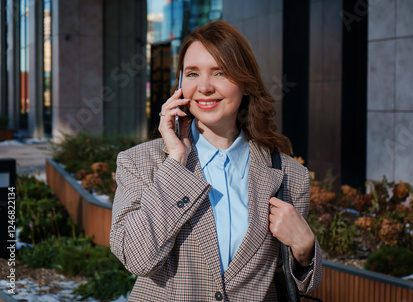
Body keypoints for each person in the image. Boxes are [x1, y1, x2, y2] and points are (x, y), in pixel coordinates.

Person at [110, 21, 322, 301]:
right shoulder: (139, 162)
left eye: (220, 72)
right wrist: (175, 163)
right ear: (180, 85)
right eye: (193, 73)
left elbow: (299, 284)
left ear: (246, 84)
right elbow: (137, 258)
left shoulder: (289, 175)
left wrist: (306, 248)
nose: (205, 87)